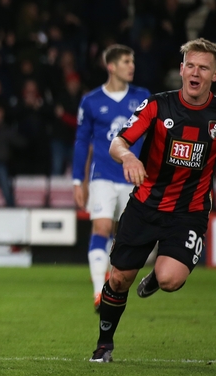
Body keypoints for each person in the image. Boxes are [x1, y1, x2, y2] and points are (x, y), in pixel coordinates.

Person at [90, 38, 216, 363]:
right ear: (182, 69)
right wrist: (128, 157)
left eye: (204, 68)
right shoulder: (157, 105)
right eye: (191, 66)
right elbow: (118, 142)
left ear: (215, 74)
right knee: (119, 279)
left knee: (170, 280)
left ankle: (157, 277)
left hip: (189, 212)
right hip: (145, 206)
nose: (196, 72)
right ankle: (104, 345)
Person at [72, 44, 151, 312]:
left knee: (124, 237)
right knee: (101, 228)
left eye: (133, 61)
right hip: (102, 176)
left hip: (133, 178)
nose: (132, 66)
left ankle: (112, 282)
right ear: (111, 66)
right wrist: (78, 181)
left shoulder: (142, 97)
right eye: (126, 61)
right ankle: (99, 292)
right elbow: (82, 142)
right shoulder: (91, 101)